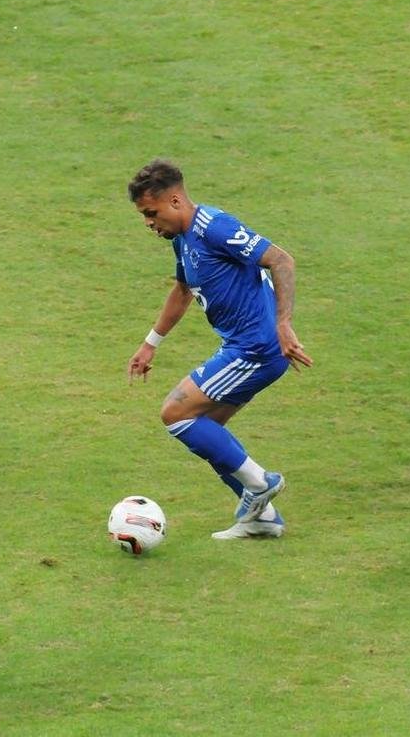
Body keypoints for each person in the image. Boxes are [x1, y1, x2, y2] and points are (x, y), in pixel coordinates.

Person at [126, 160, 313, 539]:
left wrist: (283, 323)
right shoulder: (181, 238)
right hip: (248, 347)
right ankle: (262, 519)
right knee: (205, 429)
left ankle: (260, 485)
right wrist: (150, 344)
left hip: (256, 348)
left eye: (151, 212)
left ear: (175, 200)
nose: (148, 222)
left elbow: (281, 259)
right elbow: (182, 291)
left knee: (175, 413)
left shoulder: (214, 228)